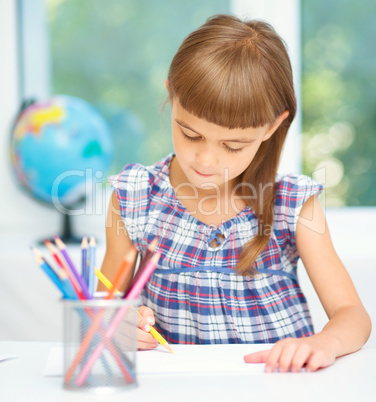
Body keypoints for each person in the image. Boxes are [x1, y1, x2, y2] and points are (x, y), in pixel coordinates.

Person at [99, 14, 371, 373]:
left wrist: (325, 343)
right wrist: (117, 324)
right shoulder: (135, 198)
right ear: (171, 94)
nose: (206, 160)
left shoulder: (292, 204)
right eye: (190, 134)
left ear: (273, 126)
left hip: (280, 387)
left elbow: (353, 315)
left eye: (232, 145)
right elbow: (104, 307)